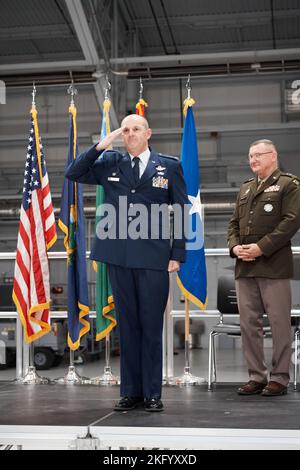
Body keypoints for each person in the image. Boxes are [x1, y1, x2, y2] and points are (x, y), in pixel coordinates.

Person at [66, 114, 188, 411]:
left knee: (150, 326)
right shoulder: (109, 162)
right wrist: (103, 144)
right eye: (126, 130)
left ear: (149, 133)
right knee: (128, 327)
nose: (130, 134)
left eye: (135, 129)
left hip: (153, 258)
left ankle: (152, 394)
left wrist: (177, 254)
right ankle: (130, 392)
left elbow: (182, 210)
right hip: (118, 256)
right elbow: (73, 172)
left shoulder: (168, 166)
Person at [228, 139, 300, 396]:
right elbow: (234, 223)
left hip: (273, 265)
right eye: (250, 156)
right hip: (245, 266)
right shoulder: (246, 188)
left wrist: (261, 247)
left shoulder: (288, 184)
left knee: (280, 323)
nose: (253, 160)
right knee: (249, 324)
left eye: (258, 155)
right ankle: (256, 376)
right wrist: (235, 247)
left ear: (273, 156)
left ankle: (279, 378)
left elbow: (291, 222)